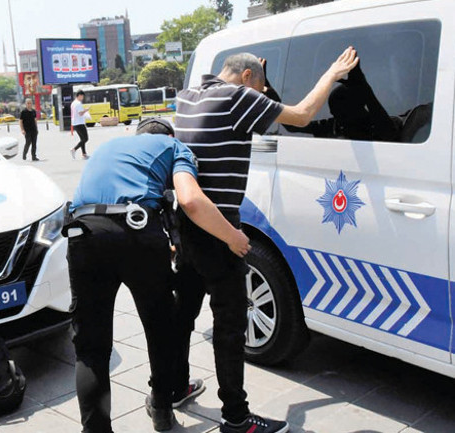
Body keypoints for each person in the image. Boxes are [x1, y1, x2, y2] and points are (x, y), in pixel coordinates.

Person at [172, 48, 359, 433]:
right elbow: (303, 114)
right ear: (245, 81)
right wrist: (331, 74)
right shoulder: (239, 97)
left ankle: (172, 388)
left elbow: (253, 100)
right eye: (260, 87)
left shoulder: (187, 97)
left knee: (183, 315)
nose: (263, 95)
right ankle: (237, 419)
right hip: (220, 230)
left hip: (186, 225)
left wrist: (261, 79)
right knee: (229, 326)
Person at [65, 117, 250, 433]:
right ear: (169, 134)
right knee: (160, 329)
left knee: (92, 349)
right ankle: (162, 412)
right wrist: (232, 236)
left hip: (84, 233)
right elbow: (190, 200)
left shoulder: (107, 146)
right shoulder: (175, 146)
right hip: (138, 230)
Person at [70, 90, 90, 159]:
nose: (82, 98)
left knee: (82, 139)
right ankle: (74, 149)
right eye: (82, 97)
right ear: (79, 96)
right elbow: (80, 113)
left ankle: (84, 154)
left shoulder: (73, 103)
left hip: (75, 123)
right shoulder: (78, 103)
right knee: (85, 139)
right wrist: (86, 110)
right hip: (79, 123)